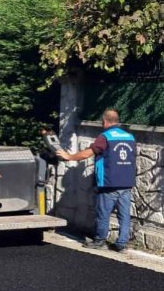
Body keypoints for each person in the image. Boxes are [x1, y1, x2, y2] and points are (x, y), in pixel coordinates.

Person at [57, 108, 136, 251]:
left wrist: (69, 156)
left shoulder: (105, 137)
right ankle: (122, 244)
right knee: (124, 215)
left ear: (104, 121)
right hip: (126, 183)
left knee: (103, 213)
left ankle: (100, 241)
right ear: (117, 121)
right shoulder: (129, 137)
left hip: (109, 183)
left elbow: (87, 153)